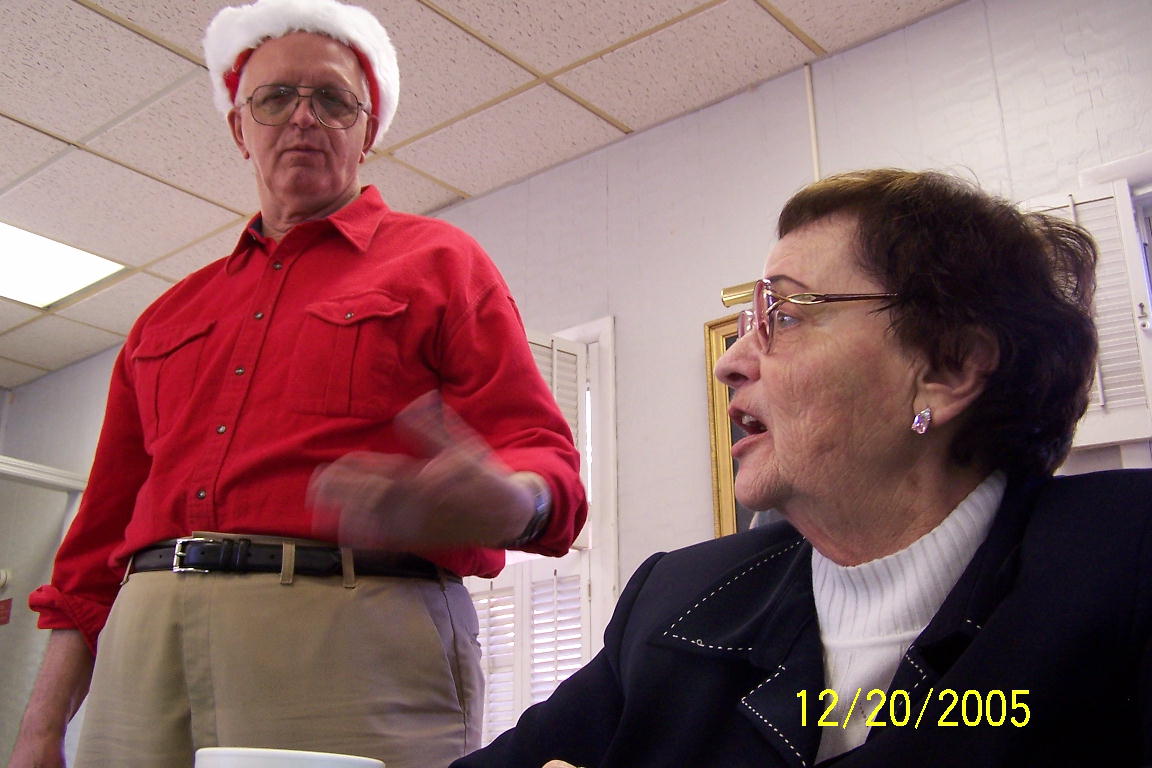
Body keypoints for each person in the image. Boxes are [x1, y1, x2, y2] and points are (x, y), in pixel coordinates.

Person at [8, 1, 585, 767]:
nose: (304, 117)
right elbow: (93, 548)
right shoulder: (163, 318)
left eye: (333, 100)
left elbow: (542, 456)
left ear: (367, 131)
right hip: (140, 653)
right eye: (276, 98)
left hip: (348, 642)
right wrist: (42, 727)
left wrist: (517, 502)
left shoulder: (442, 263)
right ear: (239, 128)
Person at [452, 169, 1152, 768]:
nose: (730, 363)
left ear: (948, 368)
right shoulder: (676, 601)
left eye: (783, 315)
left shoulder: (1127, 563)